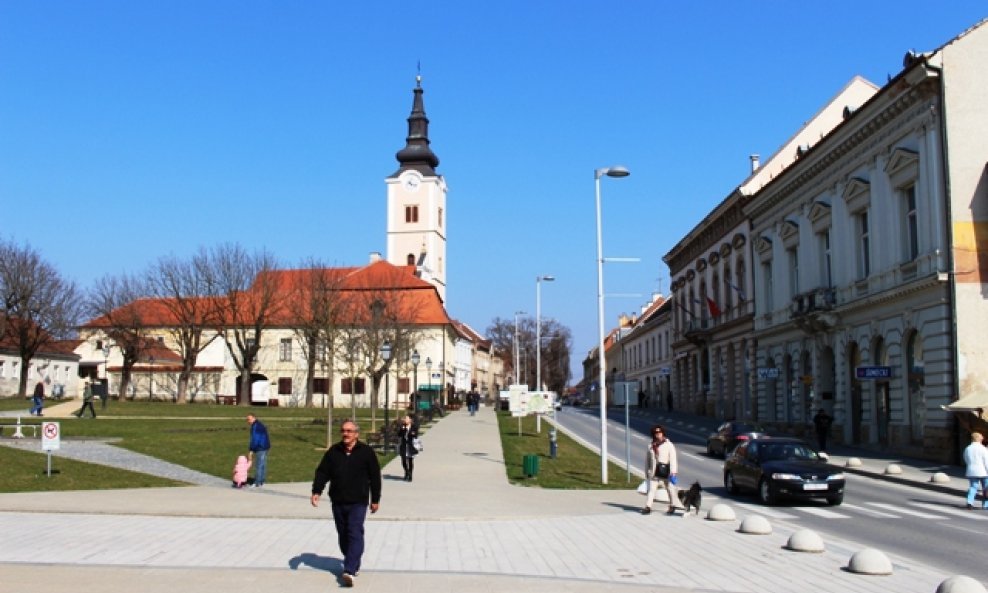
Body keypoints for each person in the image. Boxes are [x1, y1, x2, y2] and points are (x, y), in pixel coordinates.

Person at [311, 420, 382, 588]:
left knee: (354, 531)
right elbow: (322, 472)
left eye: (349, 431)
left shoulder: (366, 452)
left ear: (356, 434)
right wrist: (317, 491)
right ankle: (353, 561)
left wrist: (375, 499)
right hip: (338, 500)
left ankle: (349, 570)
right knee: (343, 535)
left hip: (358, 501)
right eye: (343, 431)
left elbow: (375, 477)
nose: (346, 434)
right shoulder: (333, 452)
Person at [642, 424, 684, 515]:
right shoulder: (650, 446)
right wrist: (647, 472)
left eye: (659, 432)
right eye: (656, 433)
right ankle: (648, 507)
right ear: (653, 434)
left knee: (670, 488)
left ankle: (672, 505)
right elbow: (647, 460)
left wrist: (673, 472)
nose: (658, 434)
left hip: (665, 470)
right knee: (652, 489)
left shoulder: (669, 445)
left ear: (663, 433)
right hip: (654, 471)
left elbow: (673, 459)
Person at [963, 431, 988, 510]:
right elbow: (986, 461)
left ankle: (970, 502)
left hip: (971, 471)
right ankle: (985, 504)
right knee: (986, 488)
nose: (982, 438)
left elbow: (966, 459)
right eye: (981, 437)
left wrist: (970, 466)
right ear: (978, 438)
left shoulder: (968, 448)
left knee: (973, 487)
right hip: (983, 471)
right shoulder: (983, 449)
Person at [246, 413, 271, 488]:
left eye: (249, 419)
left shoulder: (255, 426)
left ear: (254, 418)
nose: (248, 421)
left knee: (258, 465)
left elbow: (255, 439)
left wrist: (251, 450)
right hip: (265, 446)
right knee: (263, 464)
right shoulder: (260, 424)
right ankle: (261, 481)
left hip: (260, 447)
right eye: (247, 419)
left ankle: (257, 482)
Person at [397, 414, 419, 482]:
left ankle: (410, 475)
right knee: (403, 461)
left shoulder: (414, 427)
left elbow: (415, 435)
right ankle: (406, 472)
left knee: (410, 461)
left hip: (410, 446)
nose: (405, 420)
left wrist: (412, 433)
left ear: (410, 420)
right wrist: (403, 429)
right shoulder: (403, 427)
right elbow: (399, 435)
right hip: (403, 446)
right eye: (404, 418)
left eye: (406, 418)